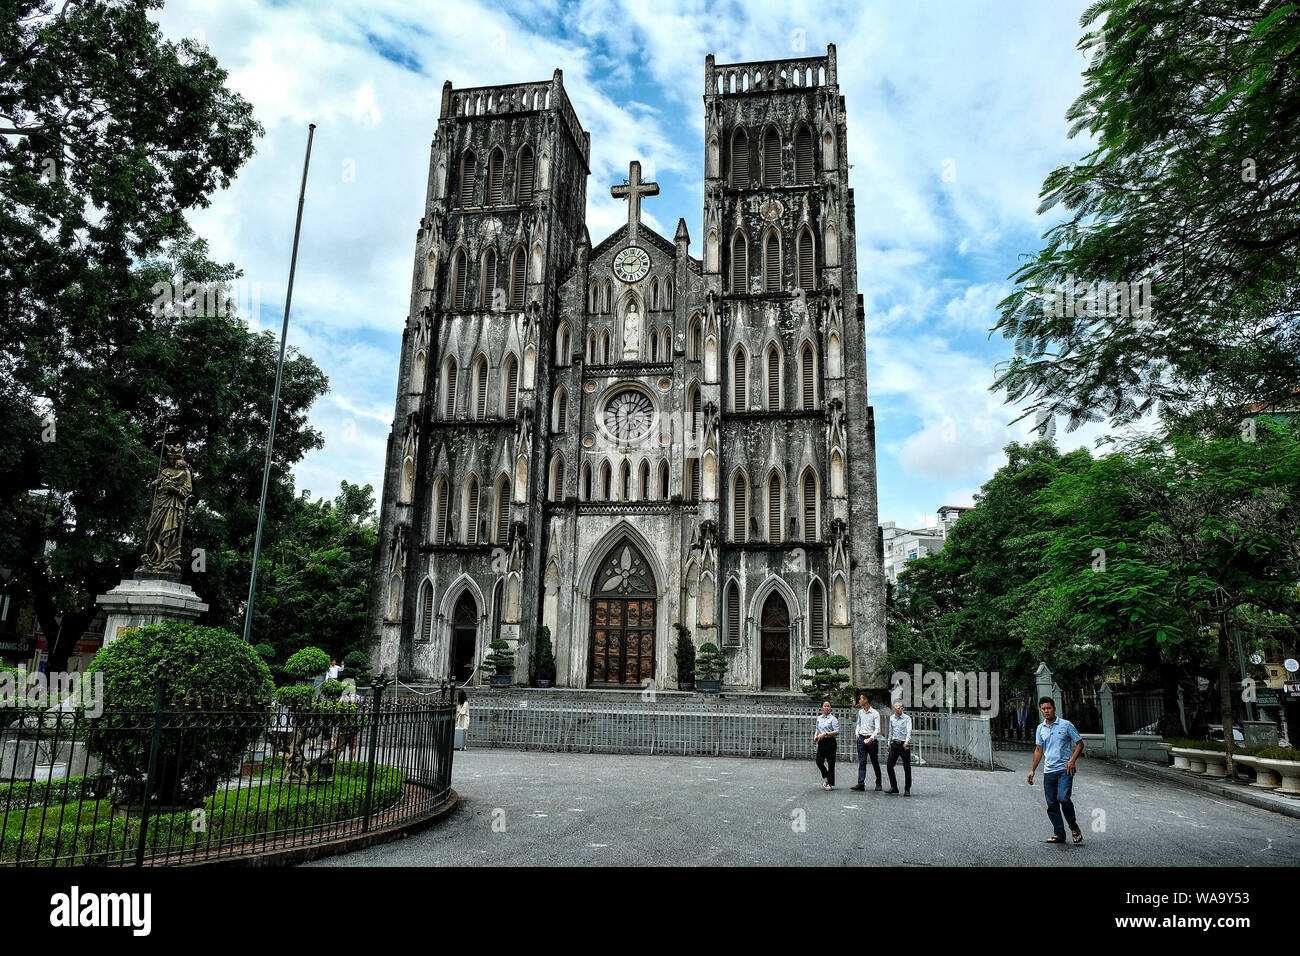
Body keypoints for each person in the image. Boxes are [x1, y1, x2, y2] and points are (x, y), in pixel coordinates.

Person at [1027, 696, 1084, 844]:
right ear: (1041, 710)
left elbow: (1079, 744)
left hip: (1065, 769)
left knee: (1063, 798)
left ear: (1054, 708)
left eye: (1049, 708)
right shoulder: (1041, 728)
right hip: (1048, 772)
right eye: (1043, 709)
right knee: (1051, 803)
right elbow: (1038, 750)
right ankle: (1059, 834)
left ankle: (1074, 827)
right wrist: (1033, 770)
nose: (1046, 711)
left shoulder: (1065, 725)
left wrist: (1072, 761)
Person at [851, 691, 881, 791]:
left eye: (861, 699)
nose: (859, 700)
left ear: (866, 700)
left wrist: (871, 738)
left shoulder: (875, 713)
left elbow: (877, 729)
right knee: (862, 761)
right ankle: (861, 783)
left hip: (871, 740)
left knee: (874, 761)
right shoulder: (860, 712)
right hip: (861, 738)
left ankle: (878, 783)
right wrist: (857, 733)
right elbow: (858, 724)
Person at [886, 698, 912, 795]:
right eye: (896, 707)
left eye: (900, 707)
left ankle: (907, 789)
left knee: (906, 767)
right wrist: (889, 743)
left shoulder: (907, 718)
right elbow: (890, 731)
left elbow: (909, 731)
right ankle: (894, 787)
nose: (898, 709)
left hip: (903, 744)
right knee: (889, 765)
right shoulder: (892, 718)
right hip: (894, 744)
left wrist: (907, 741)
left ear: (903, 708)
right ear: (894, 708)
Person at [814, 699, 839, 790]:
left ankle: (830, 783)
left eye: (828, 706)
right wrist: (815, 736)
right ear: (822, 708)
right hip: (821, 742)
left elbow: (836, 731)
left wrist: (826, 734)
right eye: (825, 706)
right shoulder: (819, 718)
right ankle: (828, 775)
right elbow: (817, 729)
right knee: (819, 761)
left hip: (830, 742)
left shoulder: (833, 719)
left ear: (830, 708)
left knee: (831, 763)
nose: (827, 708)